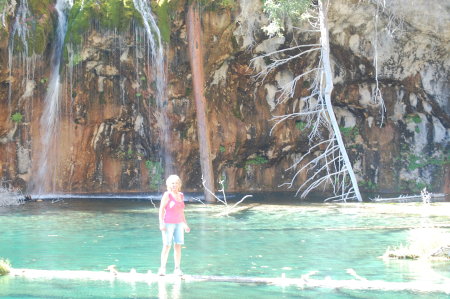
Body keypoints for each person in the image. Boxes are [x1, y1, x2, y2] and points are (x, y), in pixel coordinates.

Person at [158, 175, 190, 276]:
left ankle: (177, 268)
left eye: (176, 183)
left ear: (179, 184)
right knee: (167, 246)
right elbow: (161, 209)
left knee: (178, 246)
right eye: (172, 183)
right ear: (168, 184)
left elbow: (181, 211)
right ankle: (162, 268)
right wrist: (161, 223)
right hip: (168, 224)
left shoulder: (181, 195)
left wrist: (185, 224)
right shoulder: (167, 195)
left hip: (179, 224)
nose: (174, 185)